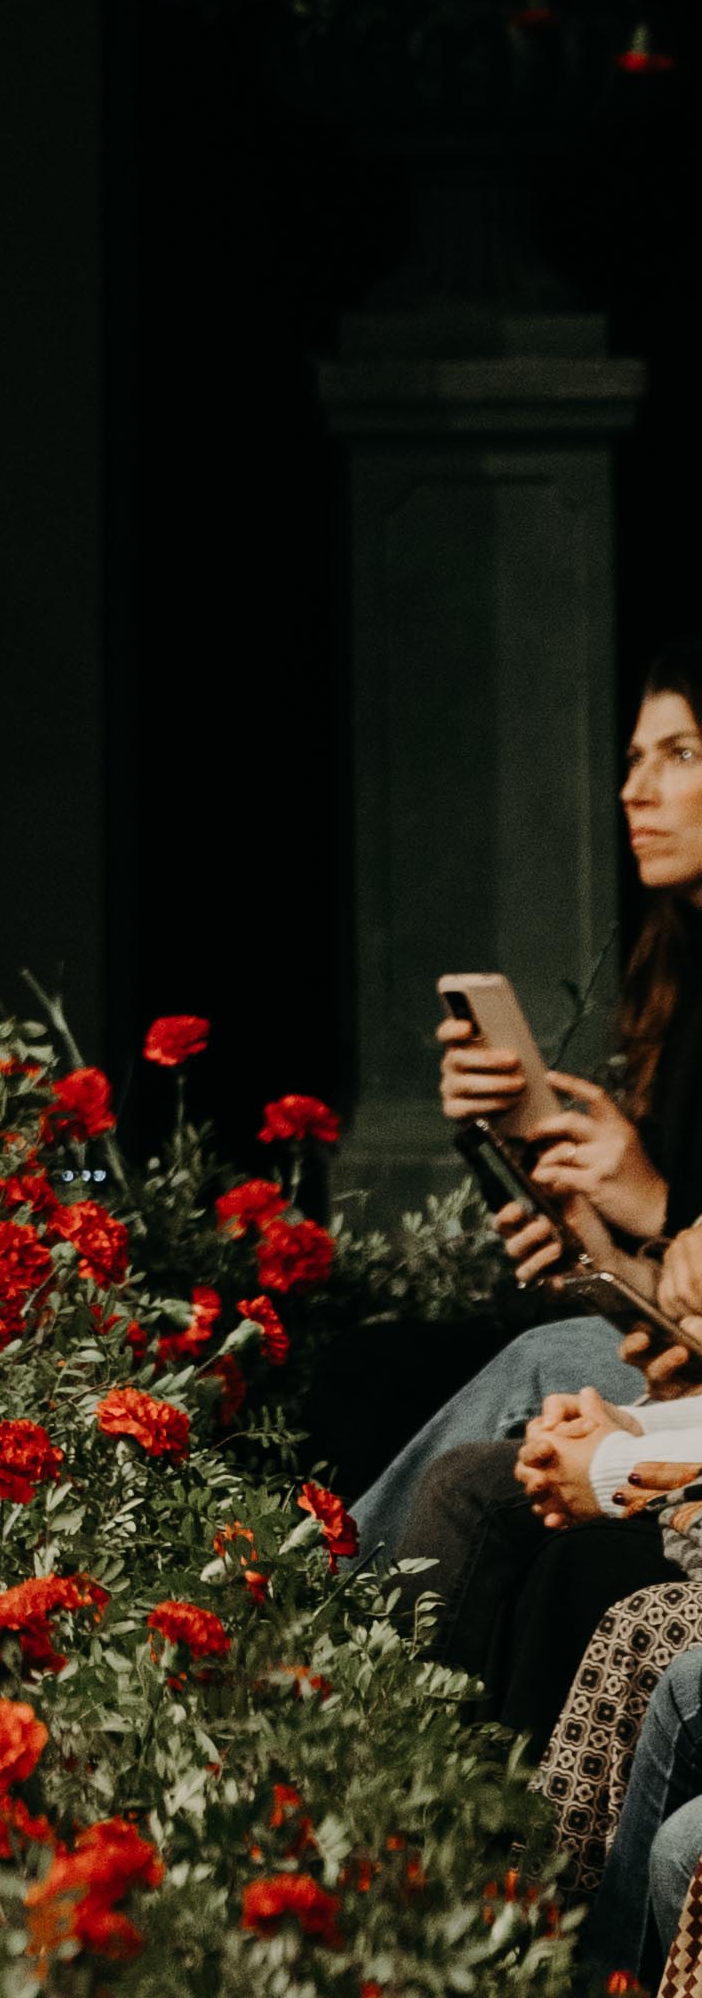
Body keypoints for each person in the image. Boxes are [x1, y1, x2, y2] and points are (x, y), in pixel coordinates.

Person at [355, 649, 702, 1565]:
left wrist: (653, 1199)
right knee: (532, 1357)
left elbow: (683, 1251)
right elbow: (673, 1301)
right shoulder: (677, 981)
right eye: (633, 759)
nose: (636, 790)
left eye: (681, 755)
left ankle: (317, 1618)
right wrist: (589, 1235)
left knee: (535, 1370)